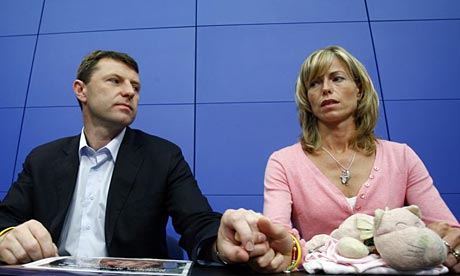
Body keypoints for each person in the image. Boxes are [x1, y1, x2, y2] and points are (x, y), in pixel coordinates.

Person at [0, 50, 290, 273]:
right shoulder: (42, 159)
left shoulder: (163, 156)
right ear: (81, 90)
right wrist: (8, 236)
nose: (129, 91)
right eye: (115, 81)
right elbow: (6, 217)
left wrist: (218, 244)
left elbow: (197, 221)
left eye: (136, 87)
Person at [262, 45, 460, 273]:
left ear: (359, 90)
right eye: (315, 83)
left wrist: (437, 244)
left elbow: (449, 231)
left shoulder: (401, 156)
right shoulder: (283, 162)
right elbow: (279, 241)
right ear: (308, 99)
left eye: (337, 79)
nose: (326, 88)